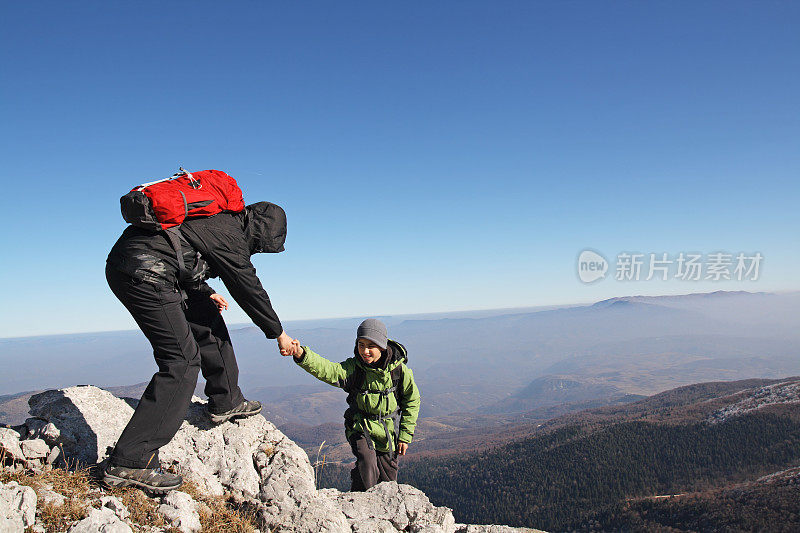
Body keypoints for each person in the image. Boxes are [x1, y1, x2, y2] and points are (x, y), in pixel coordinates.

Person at [103, 205, 295, 493]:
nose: (257, 250)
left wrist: (205, 291)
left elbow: (178, 250)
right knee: (181, 361)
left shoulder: (215, 221)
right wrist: (278, 333)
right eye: (260, 245)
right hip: (143, 275)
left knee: (206, 316)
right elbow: (248, 288)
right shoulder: (230, 233)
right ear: (259, 230)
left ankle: (226, 400)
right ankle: (131, 460)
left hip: (144, 264)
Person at [284, 319, 420, 491]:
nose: (365, 351)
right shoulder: (354, 369)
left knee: (388, 480)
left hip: (388, 431)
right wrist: (301, 354)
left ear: (382, 345)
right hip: (360, 426)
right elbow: (328, 370)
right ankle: (360, 505)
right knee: (367, 464)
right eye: (361, 344)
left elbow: (412, 401)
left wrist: (405, 436)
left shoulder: (398, 371)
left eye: (371, 345)